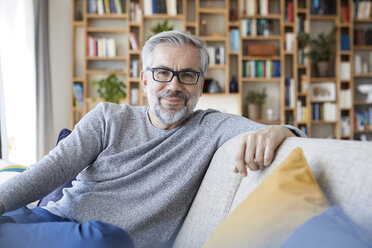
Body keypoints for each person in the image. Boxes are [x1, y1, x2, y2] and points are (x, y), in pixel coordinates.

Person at [0, 31, 305, 248]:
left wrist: (281, 130)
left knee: (109, 239)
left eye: (188, 75)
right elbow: (47, 172)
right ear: (145, 79)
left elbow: (283, 134)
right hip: (48, 222)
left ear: (200, 85)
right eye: (162, 73)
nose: (174, 85)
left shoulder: (213, 127)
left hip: (106, 241)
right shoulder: (108, 117)